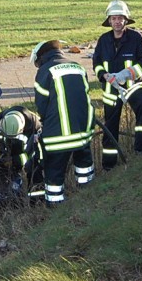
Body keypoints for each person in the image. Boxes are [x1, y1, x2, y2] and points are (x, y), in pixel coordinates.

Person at [31, 39, 95, 205]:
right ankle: (89, 199)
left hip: (58, 138)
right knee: (84, 170)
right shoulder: (78, 67)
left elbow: (42, 105)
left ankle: (55, 208)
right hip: (83, 133)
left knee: (54, 176)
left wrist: (44, 127)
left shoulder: (45, 71)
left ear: (41, 57)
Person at [92, 0, 142, 168]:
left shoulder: (136, 38)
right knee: (110, 126)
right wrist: (104, 75)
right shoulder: (103, 40)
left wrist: (127, 74)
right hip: (111, 89)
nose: (117, 22)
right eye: (114, 18)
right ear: (109, 21)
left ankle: (140, 149)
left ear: (126, 20)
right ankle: (109, 165)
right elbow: (96, 62)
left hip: (133, 85)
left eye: (120, 18)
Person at [0, 105, 42, 196]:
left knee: (33, 168)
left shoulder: (35, 126)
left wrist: (14, 160)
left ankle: (33, 197)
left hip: (25, 149)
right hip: (9, 142)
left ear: (22, 129)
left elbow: (30, 155)